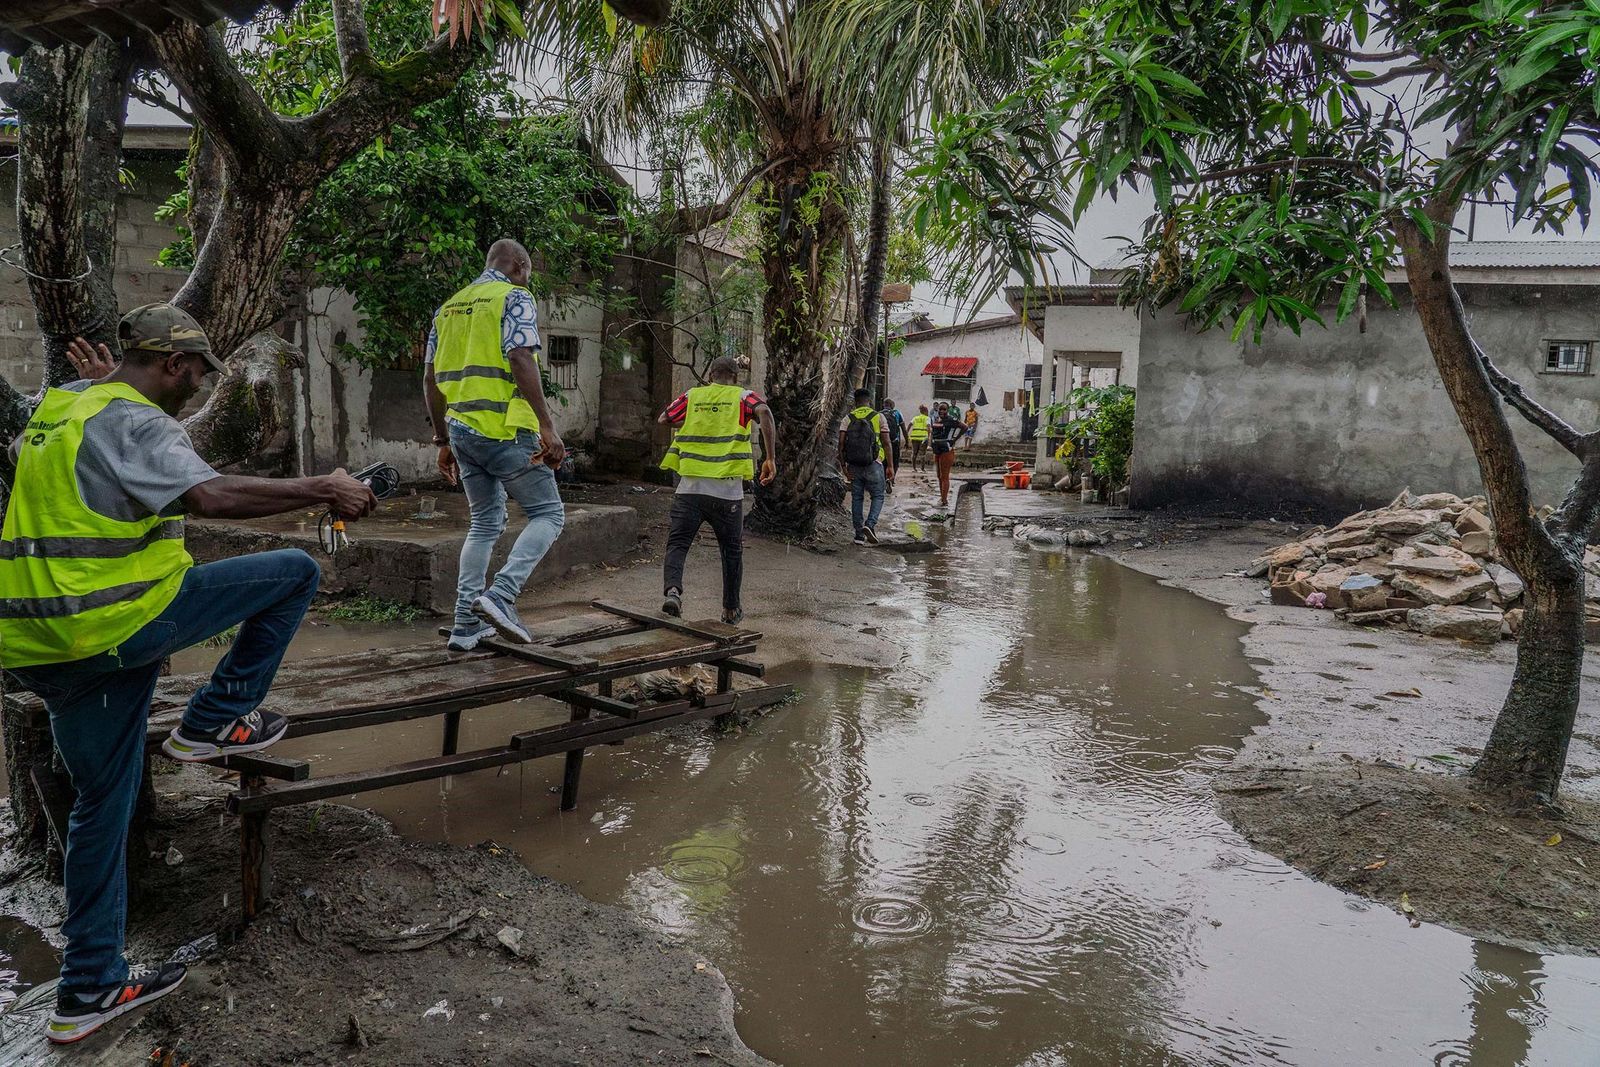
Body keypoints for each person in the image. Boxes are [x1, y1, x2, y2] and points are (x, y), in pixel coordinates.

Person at [0, 305, 377, 1044]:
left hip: (33, 641)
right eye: (197, 375)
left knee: (99, 803)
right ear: (172, 365)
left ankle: (88, 990)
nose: (198, 390)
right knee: (294, 571)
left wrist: (112, 388)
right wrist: (324, 487)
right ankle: (214, 718)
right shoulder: (139, 420)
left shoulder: (66, 404)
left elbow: (88, 465)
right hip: (108, 624)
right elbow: (209, 496)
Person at [424, 239, 566, 651]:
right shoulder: (514, 296)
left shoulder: (448, 307)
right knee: (548, 514)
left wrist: (442, 438)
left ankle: (465, 623)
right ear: (520, 265)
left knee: (484, 523)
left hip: (463, 432)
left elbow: (431, 379)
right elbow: (520, 356)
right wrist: (547, 425)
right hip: (506, 429)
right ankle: (501, 595)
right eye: (530, 272)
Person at [658, 356, 777, 624]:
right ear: (735, 377)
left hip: (689, 489)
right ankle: (730, 610)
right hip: (727, 493)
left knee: (678, 544)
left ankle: (673, 592)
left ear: (710, 375)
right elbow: (765, 413)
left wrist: (693, 421)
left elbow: (664, 419)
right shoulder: (743, 397)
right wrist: (770, 457)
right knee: (731, 550)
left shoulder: (693, 396)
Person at [838, 387, 895, 544]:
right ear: (869, 401)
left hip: (854, 465)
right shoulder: (879, 417)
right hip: (874, 463)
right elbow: (887, 443)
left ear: (855, 402)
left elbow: (841, 444)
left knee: (857, 497)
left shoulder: (847, 418)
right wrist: (890, 466)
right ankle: (870, 524)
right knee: (878, 495)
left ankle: (858, 535)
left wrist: (844, 467)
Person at [930, 400, 967, 508]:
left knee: (944, 476)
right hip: (936, 449)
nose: (942, 411)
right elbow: (933, 433)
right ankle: (942, 498)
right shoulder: (936, 419)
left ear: (948, 410)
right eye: (940, 409)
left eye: (944, 409)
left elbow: (964, 427)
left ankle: (944, 500)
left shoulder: (951, 420)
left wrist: (955, 439)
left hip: (946, 449)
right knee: (939, 476)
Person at [879, 398, 908, 489]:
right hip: (894, 442)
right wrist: (907, 441)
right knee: (895, 462)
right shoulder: (897, 413)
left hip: (882, 442)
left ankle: (882, 479)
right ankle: (891, 479)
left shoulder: (878, 414)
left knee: (882, 462)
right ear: (892, 406)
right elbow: (903, 429)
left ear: (884, 405)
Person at [907, 404, 931, 472]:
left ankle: (914, 468)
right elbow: (928, 427)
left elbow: (909, 425)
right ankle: (922, 469)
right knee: (922, 453)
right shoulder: (927, 418)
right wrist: (928, 436)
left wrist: (907, 433)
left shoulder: (915, 418)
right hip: (923, 438)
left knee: (914, 453)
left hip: (914, 437)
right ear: (925, 411)